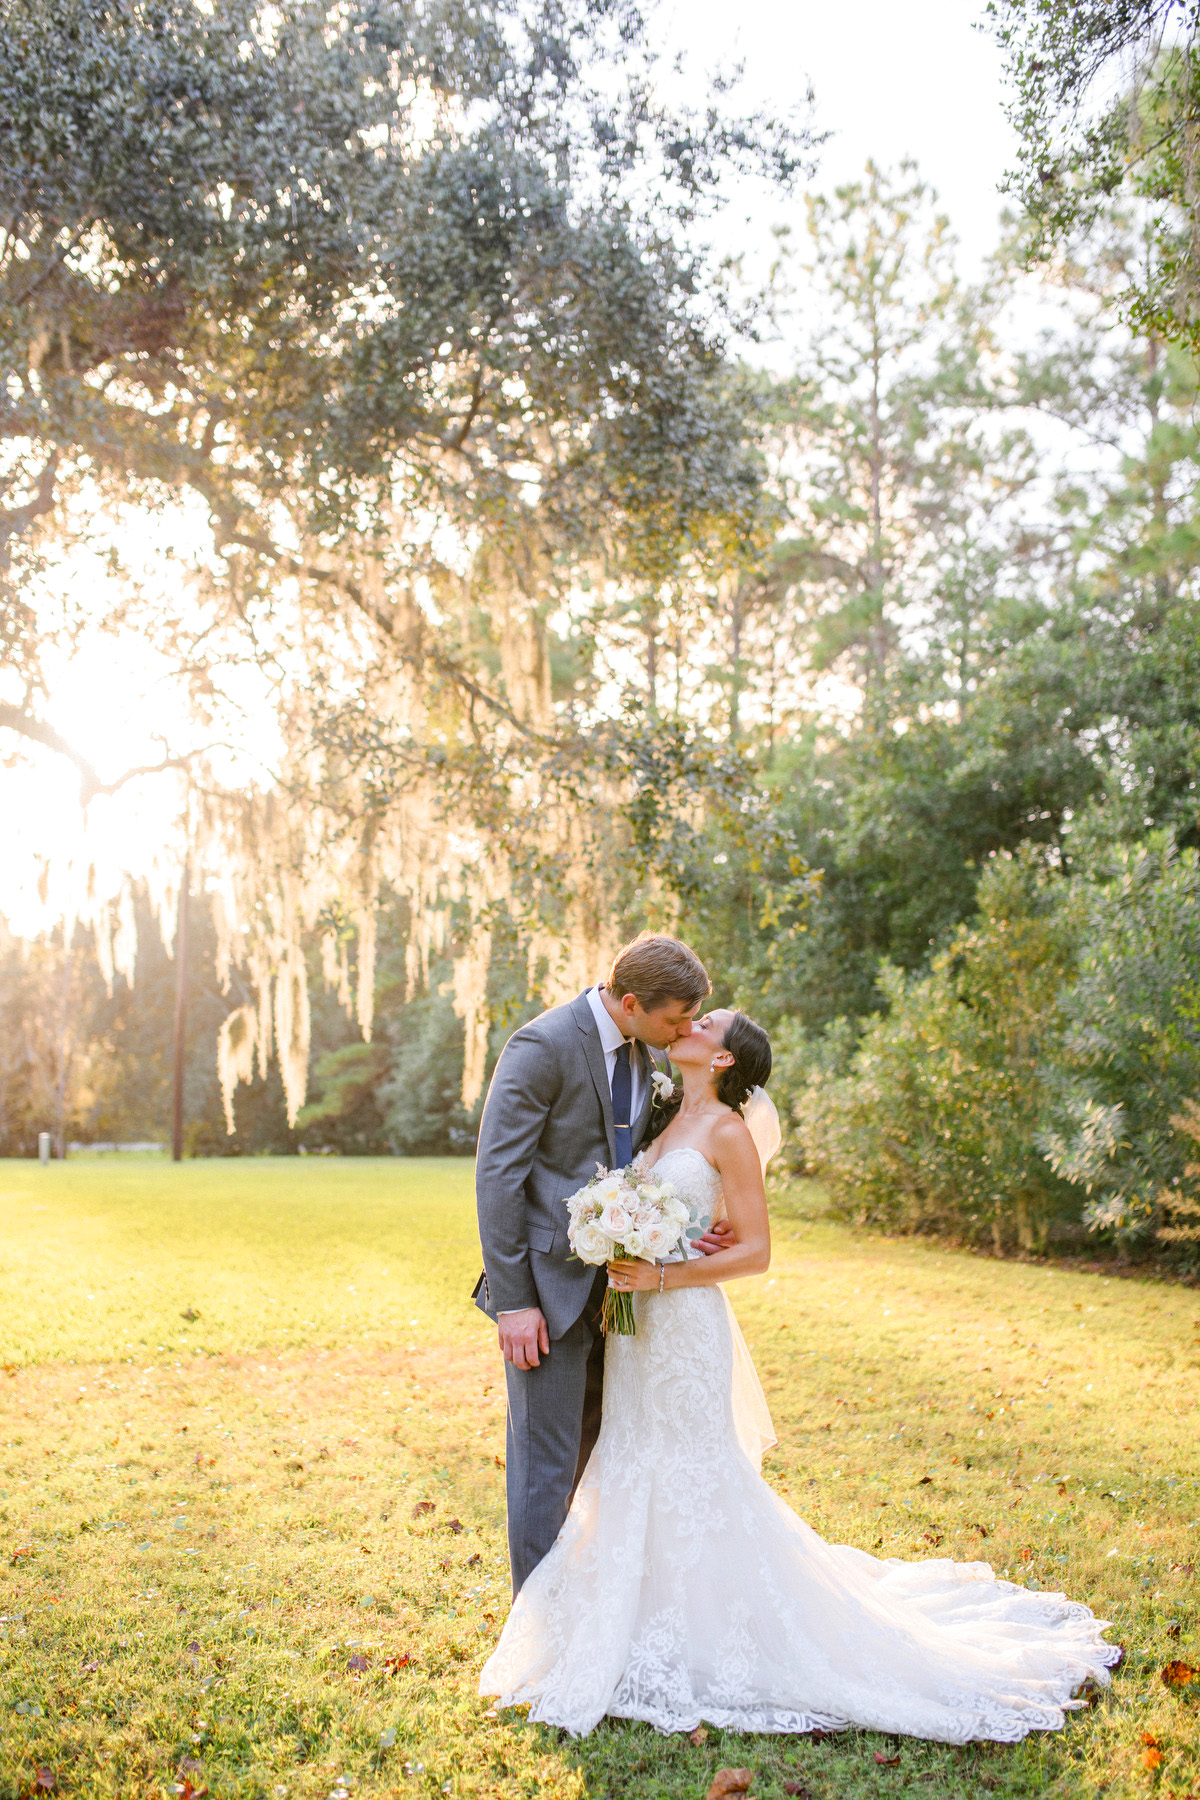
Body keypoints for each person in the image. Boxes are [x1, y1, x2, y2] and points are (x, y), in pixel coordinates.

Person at [479, 1006, 1120, 1743]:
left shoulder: (725, 1132)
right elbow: (654, 1204)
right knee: (630, 1459)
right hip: (635, 1330)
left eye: (705, 1023)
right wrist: (628, 1237)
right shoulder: (658, 1115)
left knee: (692, 1470)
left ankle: (718, 1632)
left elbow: (755, 1252)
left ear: (722, 1062)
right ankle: (623, 1620)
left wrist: (662, 1272)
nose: (689, 1023)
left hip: (681, 1325)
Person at [473, 932, 713, 1595]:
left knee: (596, 1453)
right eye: (676, 1018)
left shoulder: (640, 1053)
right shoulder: (542, 1047)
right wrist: (516, 1302)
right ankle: (537, 1628)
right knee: (544, 1464)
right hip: (545, 1295)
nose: (685, 1030)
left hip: (615, 1296)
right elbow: (498, 1177)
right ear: (632, 1001)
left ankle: (583, 1610)